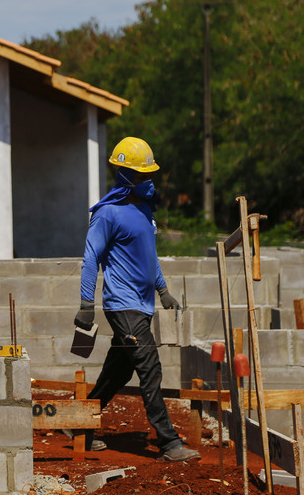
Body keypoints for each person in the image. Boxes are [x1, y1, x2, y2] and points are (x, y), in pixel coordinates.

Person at [73, 136, 200, 462]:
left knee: (119, 372)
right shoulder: (107, 214)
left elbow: (149, 256)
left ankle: (80, 427)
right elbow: (90, 259)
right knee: (150, 368)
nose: (149, 181)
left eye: (149, 175)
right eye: (143, 176)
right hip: (122, 305)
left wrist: (163, 290)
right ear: (126, 175)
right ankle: (169, 443)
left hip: (143, 305)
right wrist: (87, 305)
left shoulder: (144, 211)